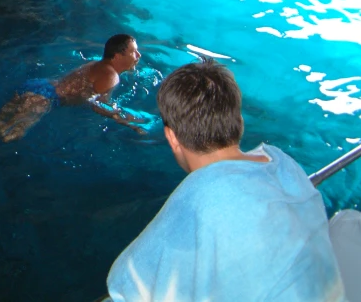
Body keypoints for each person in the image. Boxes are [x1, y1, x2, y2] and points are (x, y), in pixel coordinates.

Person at [106, 59, 346, 301]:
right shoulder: (281, 162)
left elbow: (124, 285)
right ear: (238, 121)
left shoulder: (201, 198)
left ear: (172, 138)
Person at [0, 34, 148, 142]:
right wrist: (128, 123)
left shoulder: (95, 64)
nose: (138, 56)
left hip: (38, 85)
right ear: (118, 56)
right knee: (8, 133)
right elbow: (98, 105)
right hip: (44, 98)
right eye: (134, 52)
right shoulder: (111, 77)